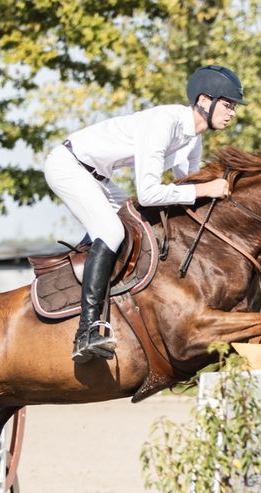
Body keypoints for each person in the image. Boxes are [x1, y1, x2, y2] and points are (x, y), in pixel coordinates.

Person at [44, 65, 245, 363]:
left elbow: (189, 184)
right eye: (228, 105)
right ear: (205, 100)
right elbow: (150, 193)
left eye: (233, 107)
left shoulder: (193, 137)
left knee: (138, 225)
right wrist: (206, 190)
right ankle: (87, 332)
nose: (232, 113)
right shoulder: (164, 122)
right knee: (112, 232)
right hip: (68, 166)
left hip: (97, 177)